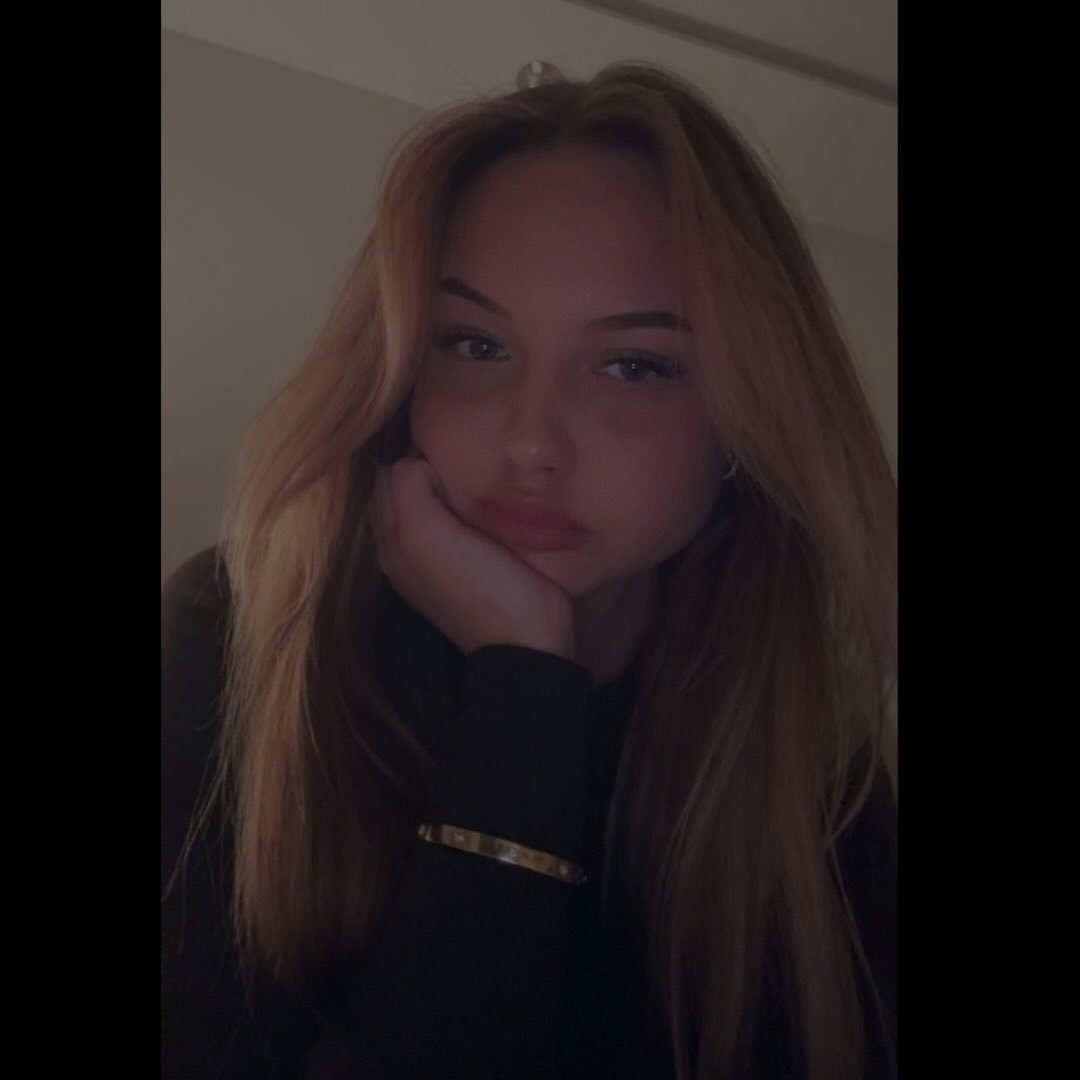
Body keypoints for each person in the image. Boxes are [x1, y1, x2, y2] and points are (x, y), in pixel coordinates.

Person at [162, 59, 897, 1080]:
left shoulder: (815, 777)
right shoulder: (239, 636)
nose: (532, 443)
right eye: (474, 345)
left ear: (749, 415)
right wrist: (522, 685)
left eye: (634, 365)